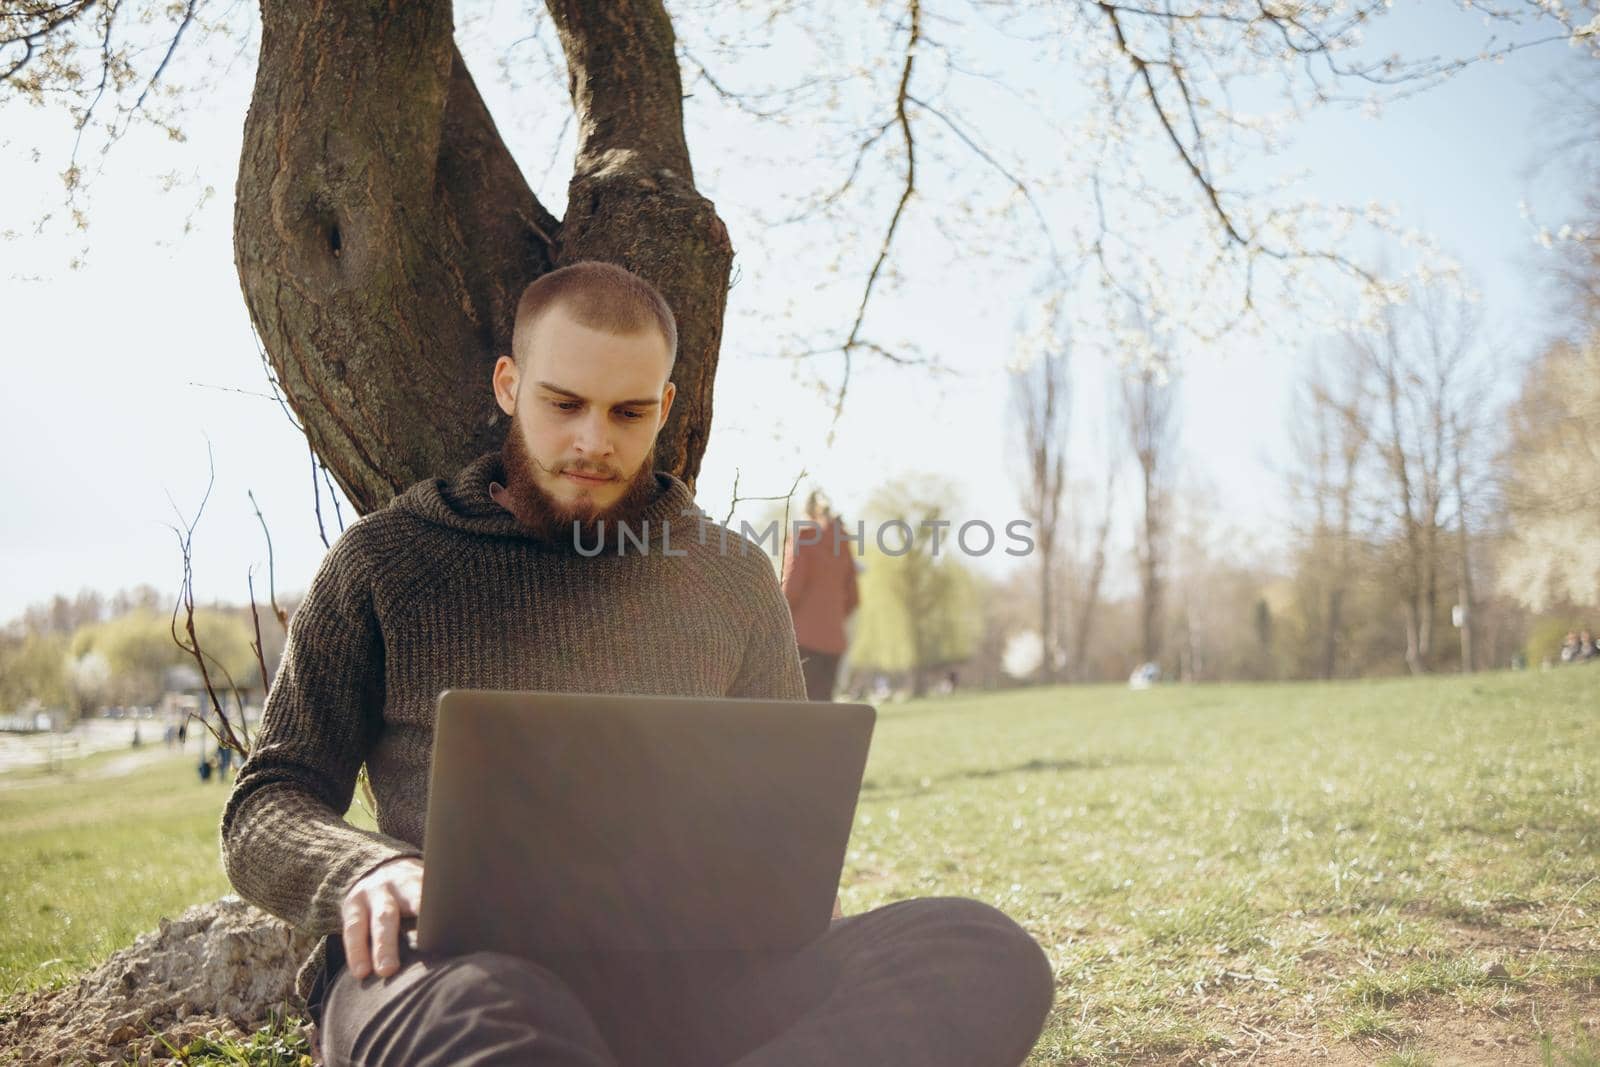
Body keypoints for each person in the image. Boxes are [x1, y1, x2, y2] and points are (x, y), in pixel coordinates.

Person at [220, 262, 1053, 1067]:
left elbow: (781, 813)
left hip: (694, 984)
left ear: (666, 407)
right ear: (510, 386)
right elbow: (267, 799)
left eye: (627, 412)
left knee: (981, 950)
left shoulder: (731, 577)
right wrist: (371, 867)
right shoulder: (384, 563)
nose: (593, 441)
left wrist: (799, 898)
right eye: (564, 403)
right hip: (457, 974)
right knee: (484, 1020)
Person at [781, 489, 861, 702]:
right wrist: (831, 617)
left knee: (800, 708)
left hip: (803, 639)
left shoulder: (804, 535)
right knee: (822, 705)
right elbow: (853, 597)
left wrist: (775, 612)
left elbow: (792, 589)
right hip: (834, 640)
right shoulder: (842, 541)